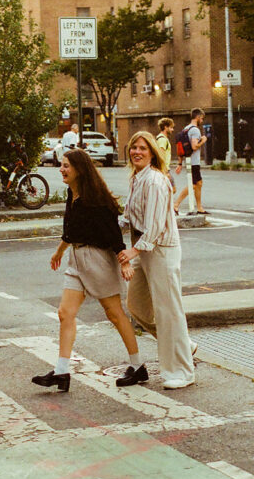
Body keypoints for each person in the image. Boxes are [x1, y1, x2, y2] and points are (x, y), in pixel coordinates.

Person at [32, 148, 139, 392]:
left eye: (66, 166)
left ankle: (137, 365)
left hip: (98, 259)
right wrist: (60, 250)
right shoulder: (73, 194)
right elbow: (71, 230)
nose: (62, 169)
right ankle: (61, 371)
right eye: (61, 165)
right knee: (64, 313)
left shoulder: (96, 200)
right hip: (76, 259)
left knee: (114, 314)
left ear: (80, 169)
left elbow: (113, 234)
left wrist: (124, 261)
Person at [117, 131, 196, 390]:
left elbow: (155, 225)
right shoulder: (137, 179)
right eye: (133, 148)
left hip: (160, 249)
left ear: (152, 152)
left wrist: (132, 252)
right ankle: (184, 343)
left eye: (142, 148)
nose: (136, 152)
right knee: (138, 306)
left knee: (168, 311)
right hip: (144, 248)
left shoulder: (155, 181)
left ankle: (182, 372)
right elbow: (129, 217)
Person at [173, 108, 209, 214]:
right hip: (194, 162)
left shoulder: (186, 128)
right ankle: (176, 204)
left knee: (198, 183)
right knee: (193, 184)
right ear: (197, 117)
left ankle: (199, 207)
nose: (202, 121)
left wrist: (180, 163)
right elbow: (194, 146)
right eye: (201, 118)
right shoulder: (195, 130)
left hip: (189, 161)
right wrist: (203, 140)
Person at [156, 117, 175, 189]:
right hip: (164, 169)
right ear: (165, 127)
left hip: (164, 169)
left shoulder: (163, 138)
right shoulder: (162, 139)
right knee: (171, 190)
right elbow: (161, 156)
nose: (172, 130)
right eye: (171, 127)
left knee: (170, 190)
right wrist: (165, 172)